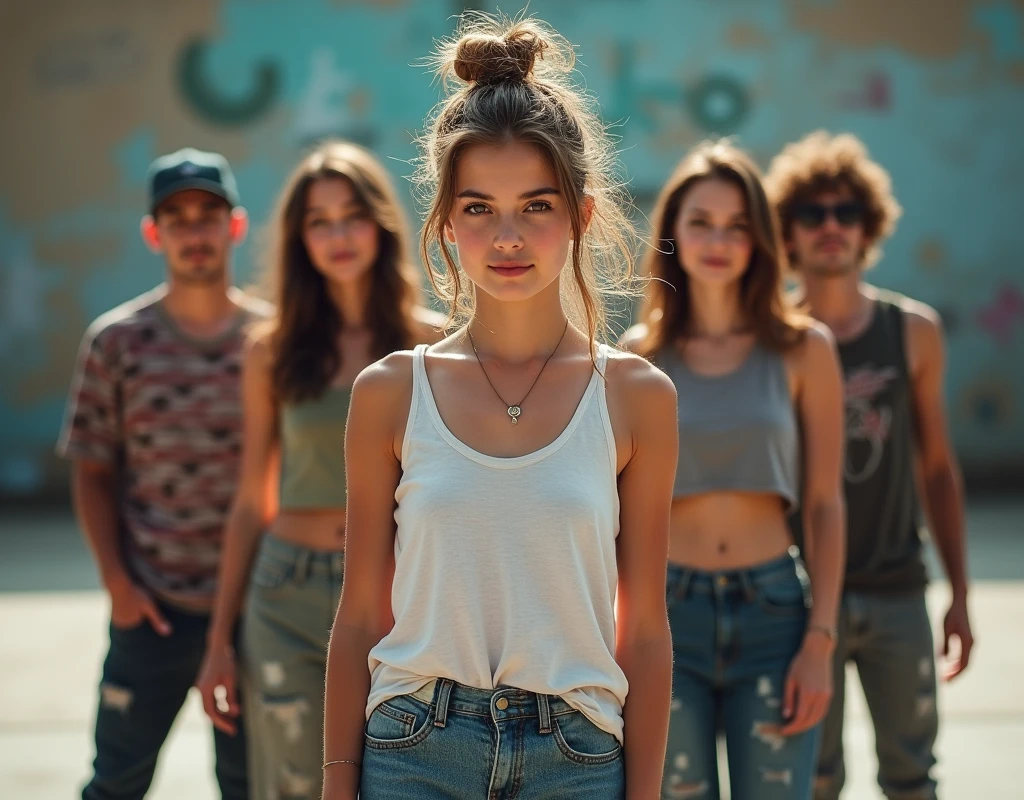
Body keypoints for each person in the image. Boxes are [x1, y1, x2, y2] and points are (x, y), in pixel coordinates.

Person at [321, 13, 677, 800]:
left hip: (578, 755)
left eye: (537, 206)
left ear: (581, 216)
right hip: (413, 748)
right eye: (479, 207)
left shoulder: (638, 398)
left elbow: (646, 631)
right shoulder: (388, 393)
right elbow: (356, 620)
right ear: (446, 223)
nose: (507, 236)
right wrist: (337, 785)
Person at [194, 140, 444, 799]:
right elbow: (253, 497)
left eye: (351, 215)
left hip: (400, 593)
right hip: (286, 594)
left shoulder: (436, 345)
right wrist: (220, 639)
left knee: (399, 779)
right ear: (299, 238)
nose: (338, 235)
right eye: (318, 220)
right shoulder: (270, 351)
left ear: (381, 223)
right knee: (296, 786)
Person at [620, 141, 846, 800]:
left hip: (775, 616)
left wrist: (820, 641)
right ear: (673, 234)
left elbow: (827, 503)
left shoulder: (805, 349)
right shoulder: (639, 356)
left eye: (737, 225)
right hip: (668, 619)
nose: (718, 240)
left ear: (760, 240)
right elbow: (620, 514)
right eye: (700, 222)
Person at [766, 131, 974, 800]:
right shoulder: (773, 342)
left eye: (846, 212)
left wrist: (961, 595)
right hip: (799, 601)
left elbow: (937, 468)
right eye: (813, 214)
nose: (831, 227)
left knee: (913, 778)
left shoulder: (911, 330)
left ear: (868, 228)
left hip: (897, 591)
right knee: (812, 781)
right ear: (787, 234)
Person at [57, 148, 269, 799]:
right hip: (153, 608)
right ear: (155, 233)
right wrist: (118, 583)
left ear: (235, 226)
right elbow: (92, 469)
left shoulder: (273, 340)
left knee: (250, 785)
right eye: (177, 218)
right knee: (115, 781)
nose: (194, 231)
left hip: (254, 610)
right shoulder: (117, 341)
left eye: (208, 215)